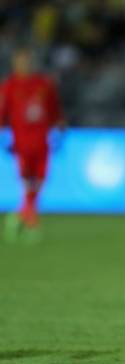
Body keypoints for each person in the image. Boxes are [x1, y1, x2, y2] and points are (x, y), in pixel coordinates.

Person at [1, 47, 64, 243]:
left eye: (28, 61)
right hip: (21, 142)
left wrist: (60, 123)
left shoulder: (44, 85)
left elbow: (54, 109)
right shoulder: (9, 86)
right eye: (21, 61)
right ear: (15, 64)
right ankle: (31, 220)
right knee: (28, 181)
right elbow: (2, 114)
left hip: (41, 141)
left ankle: (20, 216)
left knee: (40, 180)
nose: (25, 65)